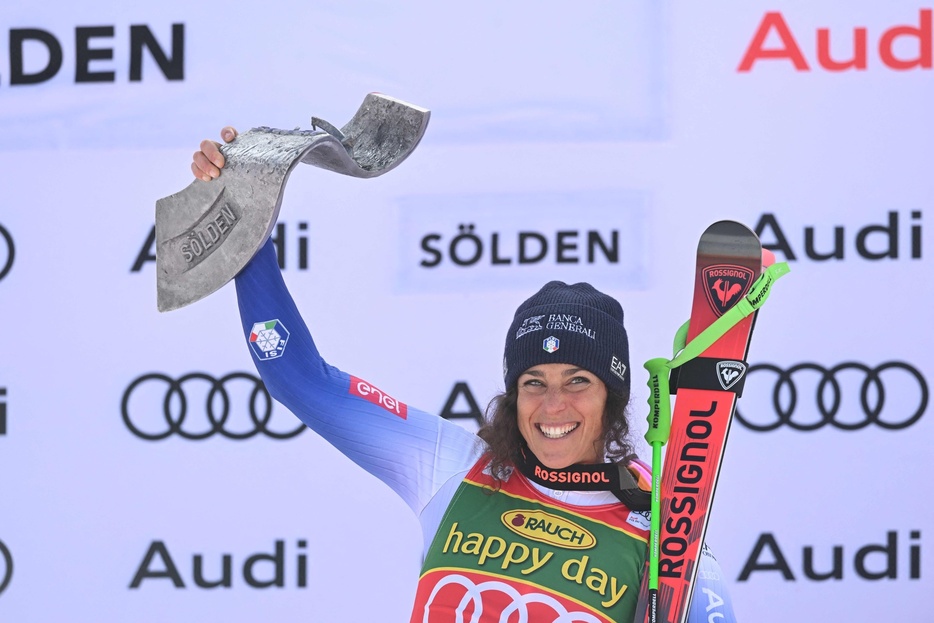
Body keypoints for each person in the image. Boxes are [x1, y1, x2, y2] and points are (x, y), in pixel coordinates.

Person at [192, 129, 739, 623]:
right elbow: (300, 380)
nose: (553, 406)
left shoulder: (661, 516)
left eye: (578, 381)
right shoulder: (454, 466)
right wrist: (248, 233)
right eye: (533, 382)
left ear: (611, 399)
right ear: (513, 394)